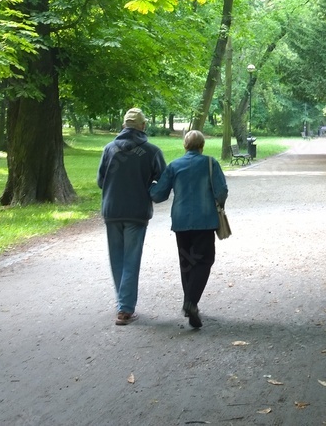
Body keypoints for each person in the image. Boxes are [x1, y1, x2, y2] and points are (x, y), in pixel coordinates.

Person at [149, 129, 228, 329]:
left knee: (187, 262)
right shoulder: (211, 163)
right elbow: (221, 191)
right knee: (205, 260)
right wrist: (218, 203)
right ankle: (191, 302)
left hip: (181, 222)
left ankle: (190, 302)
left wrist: (149, 185)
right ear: (202, 146)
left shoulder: (174, 166)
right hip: (205, 221)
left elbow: (159, 195)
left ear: (185, 146)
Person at [97, 108, 166, 326]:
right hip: (136, 211)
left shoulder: (109, 149)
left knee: (117, 258)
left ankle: (123, 303)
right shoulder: (152, 151)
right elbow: (163, 182)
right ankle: (125, 308)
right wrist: (151, 191)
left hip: (112, 210)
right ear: (143, 126)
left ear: (124, 126)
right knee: (131, 259)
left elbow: (101, 181)